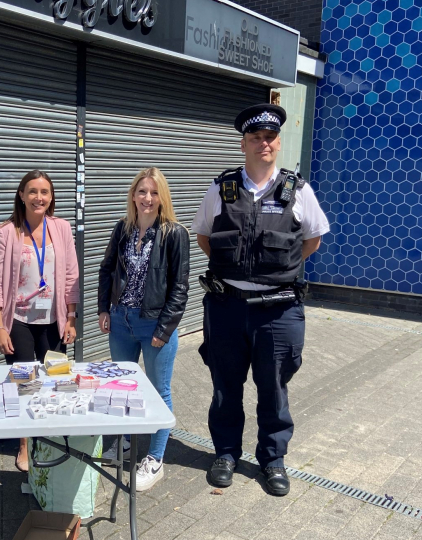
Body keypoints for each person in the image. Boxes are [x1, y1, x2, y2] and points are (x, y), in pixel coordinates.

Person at [192, 104, 330, 496]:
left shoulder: (298, 191)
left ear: (277, 143)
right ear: (244, 144)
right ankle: (225, 453)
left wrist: (275, 272)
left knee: (273, 388)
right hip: (227, 308)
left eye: (270, 137)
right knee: (225, 387)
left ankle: (272, 460)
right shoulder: (221, 189)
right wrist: (239, 273)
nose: (263, 143)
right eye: (256, 137)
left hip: (278, 310)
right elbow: (204, 236)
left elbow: (312, 240)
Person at [97, 167, 190, 492]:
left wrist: (164, 329)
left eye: (153, 192)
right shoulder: (123, 229)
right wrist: (103, 308)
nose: (147, 198)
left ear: (161, 197)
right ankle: (123, 439)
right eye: (141, 191)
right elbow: (106, 269)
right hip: (121, 321)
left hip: (155, 324)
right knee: (121, 386)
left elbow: (180, 288)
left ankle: (154, 458)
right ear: (133, 195)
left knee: (158, 389)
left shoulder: (174, 233)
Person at [0, 169, 79, 471]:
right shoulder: (7, 232)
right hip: (20, 321)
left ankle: (51, 438)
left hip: (54, 320)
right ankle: (25, 443)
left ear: (51, 198)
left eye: (45, 192)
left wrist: (72, 318)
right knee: (25, 384)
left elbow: (71, 277)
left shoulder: (62, 228)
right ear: (21, 195)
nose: (39, 197)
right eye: (33, 191)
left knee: (54, 378)